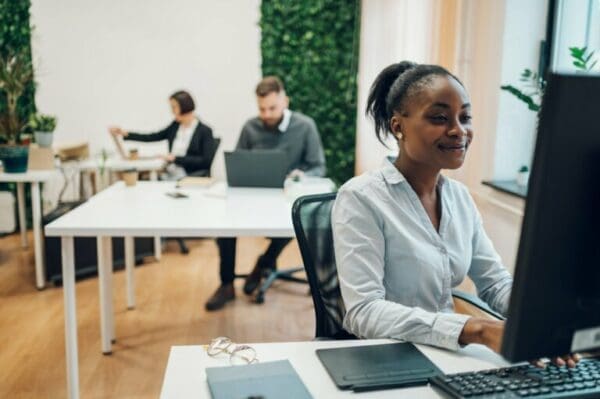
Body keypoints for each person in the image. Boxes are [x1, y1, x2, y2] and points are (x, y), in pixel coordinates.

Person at [332, 61, 579, 367]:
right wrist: (475, 328)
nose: (458, 131)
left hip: (448, 357)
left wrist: (541, 322)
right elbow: (363, 311)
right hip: (385, 362)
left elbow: (495, 283)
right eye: (439, 118)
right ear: (398, 127)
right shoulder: (361, 198)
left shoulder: (460, 198)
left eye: (465, 117)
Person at [205, 76, 326, 311]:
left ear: (285, 101)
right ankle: (226, 284)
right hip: (254, 195)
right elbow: (238, 161)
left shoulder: (305, 126)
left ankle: (264, 263)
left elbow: (318, 166)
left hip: (286, 197)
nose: (267, 114)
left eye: (272, 108)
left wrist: (300, 175)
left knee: (298, 218)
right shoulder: (251, 126)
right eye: (262, 108)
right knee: (225, 226)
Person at [109, 90, 215, 180]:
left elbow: (205, 161)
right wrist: (126, 133)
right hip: (170, 172)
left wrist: (175, 158)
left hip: (189, 176)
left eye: (174, 107)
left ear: (184, 106)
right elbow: (153, 136)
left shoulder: (205, 131)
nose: (172, 111)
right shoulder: (175, 126)